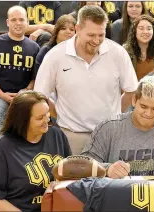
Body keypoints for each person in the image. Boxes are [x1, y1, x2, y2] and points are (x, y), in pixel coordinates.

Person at [34, 5, 138, 155]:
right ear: (77, 29)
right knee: (73, 178)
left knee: (110, 178)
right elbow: (40, 96)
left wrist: (113, 118)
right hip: (71, 136)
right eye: (91, 35)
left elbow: (131, 90)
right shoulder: (55, 56)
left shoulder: (118, 53)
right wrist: (61, 115)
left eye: (101, 35)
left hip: (110, 136)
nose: (96, 40)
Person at [81, 75, 154, 178]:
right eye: (143, 106)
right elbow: (83, 165)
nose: (148, 113)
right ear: (134, 100)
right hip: (117, 194)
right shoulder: (108, 128)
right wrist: (107, 169)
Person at [0, 91, 71, 212]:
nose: (47, 120)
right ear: (22, 121)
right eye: (40, 118)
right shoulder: (0, 148)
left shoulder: (56, 135)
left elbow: (71, 176)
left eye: (47, 114)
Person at [0, 5, 39, 136]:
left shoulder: (35, 48)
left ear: (27, 22)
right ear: (7, 22)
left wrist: (24, 93)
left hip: (24, 97)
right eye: (13, 20)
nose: (18, 23)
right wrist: (3, 95)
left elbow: (34, 78)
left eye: (21, 19)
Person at [124, 15, 154, 80]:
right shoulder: (125, 51)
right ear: (135, 31)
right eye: (141, 28)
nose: (145, 32)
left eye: (149, 28)